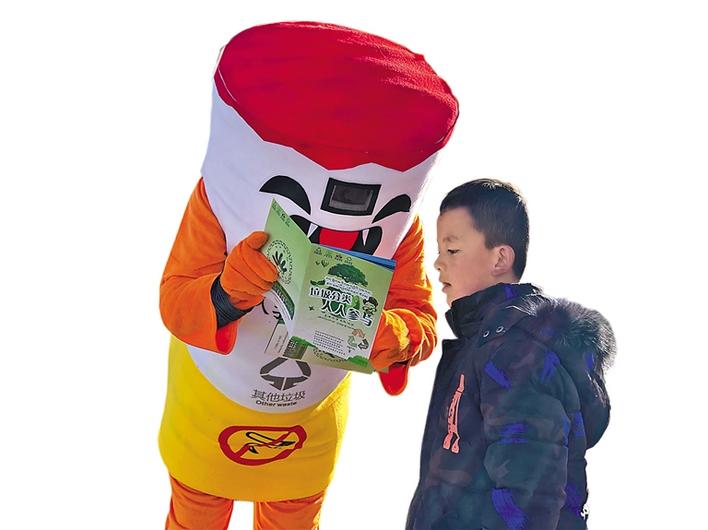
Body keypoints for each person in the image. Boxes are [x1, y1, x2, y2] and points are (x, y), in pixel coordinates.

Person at [157, 22, 459, 529]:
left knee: (294, 519)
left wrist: (395, 335)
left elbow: (419, 315)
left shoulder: (401, 226)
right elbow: (175, 297)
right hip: (212, 401)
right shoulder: (217, 203)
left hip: (309, 416)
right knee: (195, 515)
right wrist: (227, 294)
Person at [406, 179, 615, 530]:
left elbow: (529, 499)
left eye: (452, 250)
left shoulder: (517, 352)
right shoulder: (484, 344)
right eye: (439, 250)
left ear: (500, 257)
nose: (438, 263)